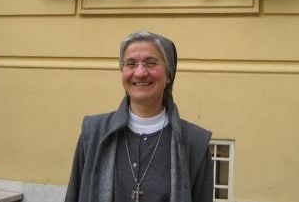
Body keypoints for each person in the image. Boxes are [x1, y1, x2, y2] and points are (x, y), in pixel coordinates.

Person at [64, 31, 213, 202]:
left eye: (151, 63)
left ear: (169, 74)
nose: (140, 73)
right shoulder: (94, 133)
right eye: (131, 64)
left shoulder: (194, 142)